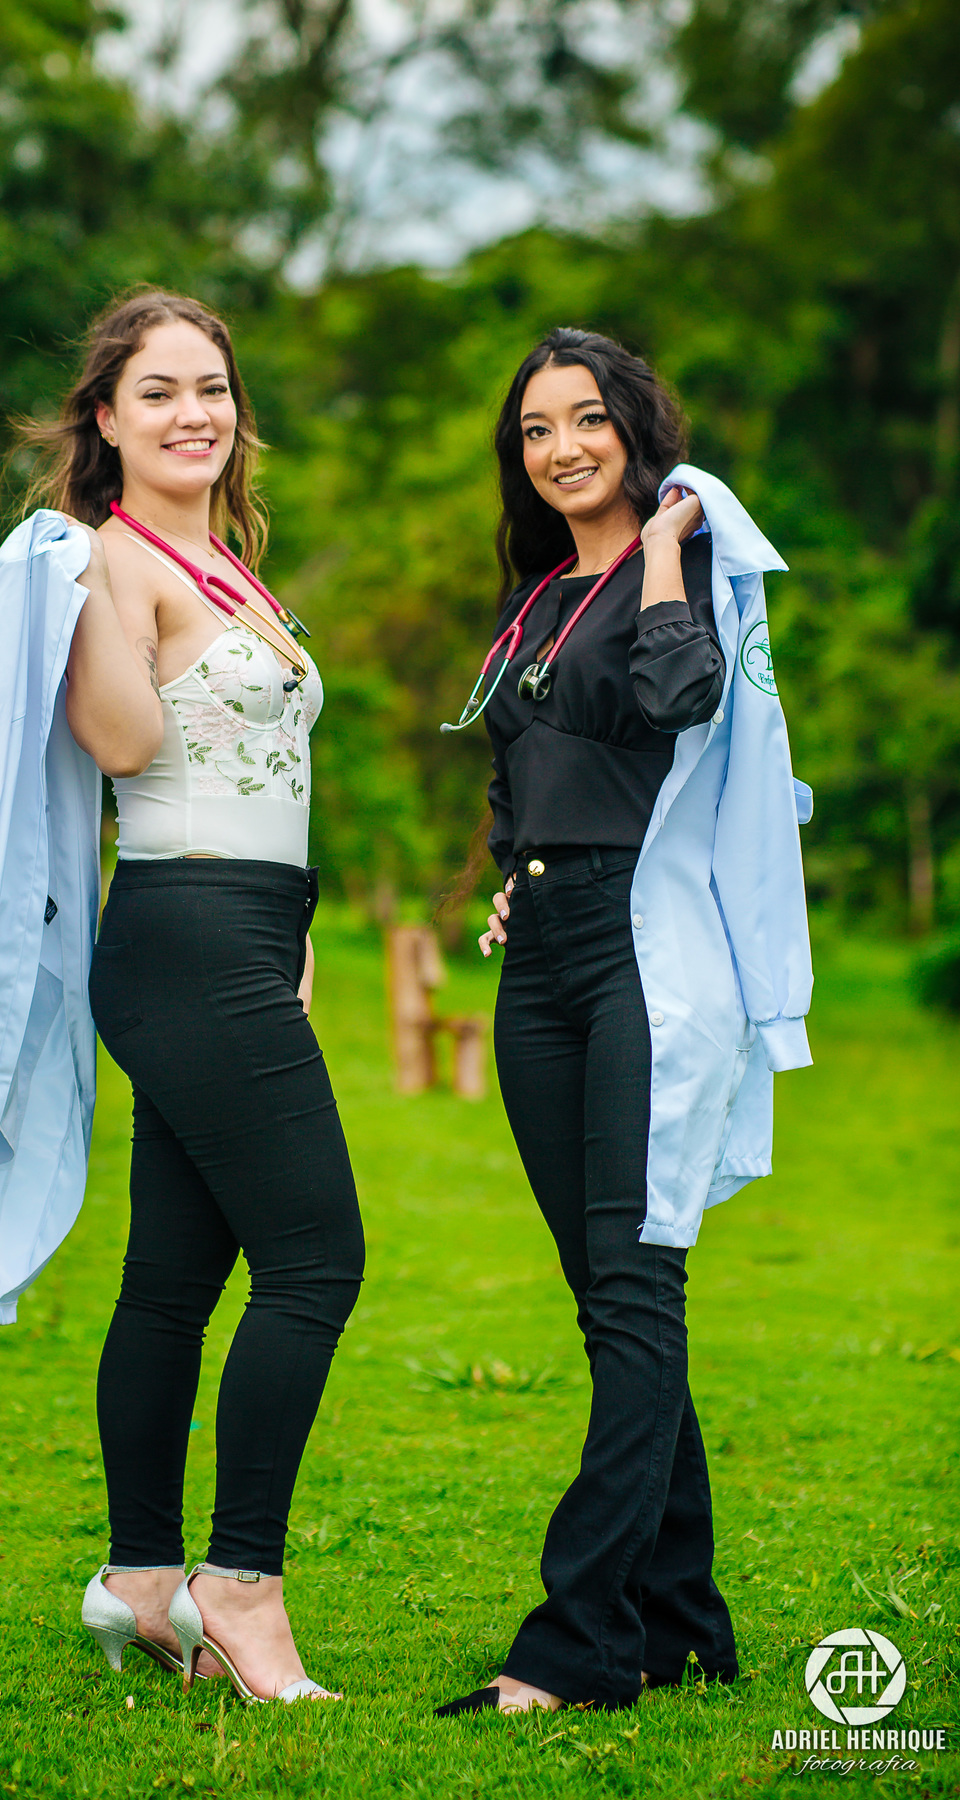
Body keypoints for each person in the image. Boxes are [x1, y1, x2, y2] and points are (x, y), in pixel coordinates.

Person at [435, 328, 812, 1717]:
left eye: (586, 419)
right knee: (611, 1297)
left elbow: (678, 696)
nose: (562, 449)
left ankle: (580, 1645)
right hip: (542, 963)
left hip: (647, 955)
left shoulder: (690, 574)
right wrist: (510, 874)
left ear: (634, 428)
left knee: (640, 1286)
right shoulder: (533, 596)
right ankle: (684, 1623)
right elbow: (518, 763)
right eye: (536, 430)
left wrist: (658, 548)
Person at [17, 290, 365, 1704]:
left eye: (211, 387)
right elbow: (123, 742)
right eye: (156, 392)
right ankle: (240, 1586)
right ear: (105, 418)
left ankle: (141, 1581)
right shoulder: (108, 562)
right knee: (317, 1260)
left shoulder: (229, 565)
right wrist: (88, 576)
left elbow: (263, 777)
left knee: (172, 1278)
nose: (192, 414)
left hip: (248, 931)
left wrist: (295, 933)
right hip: (185, 932)